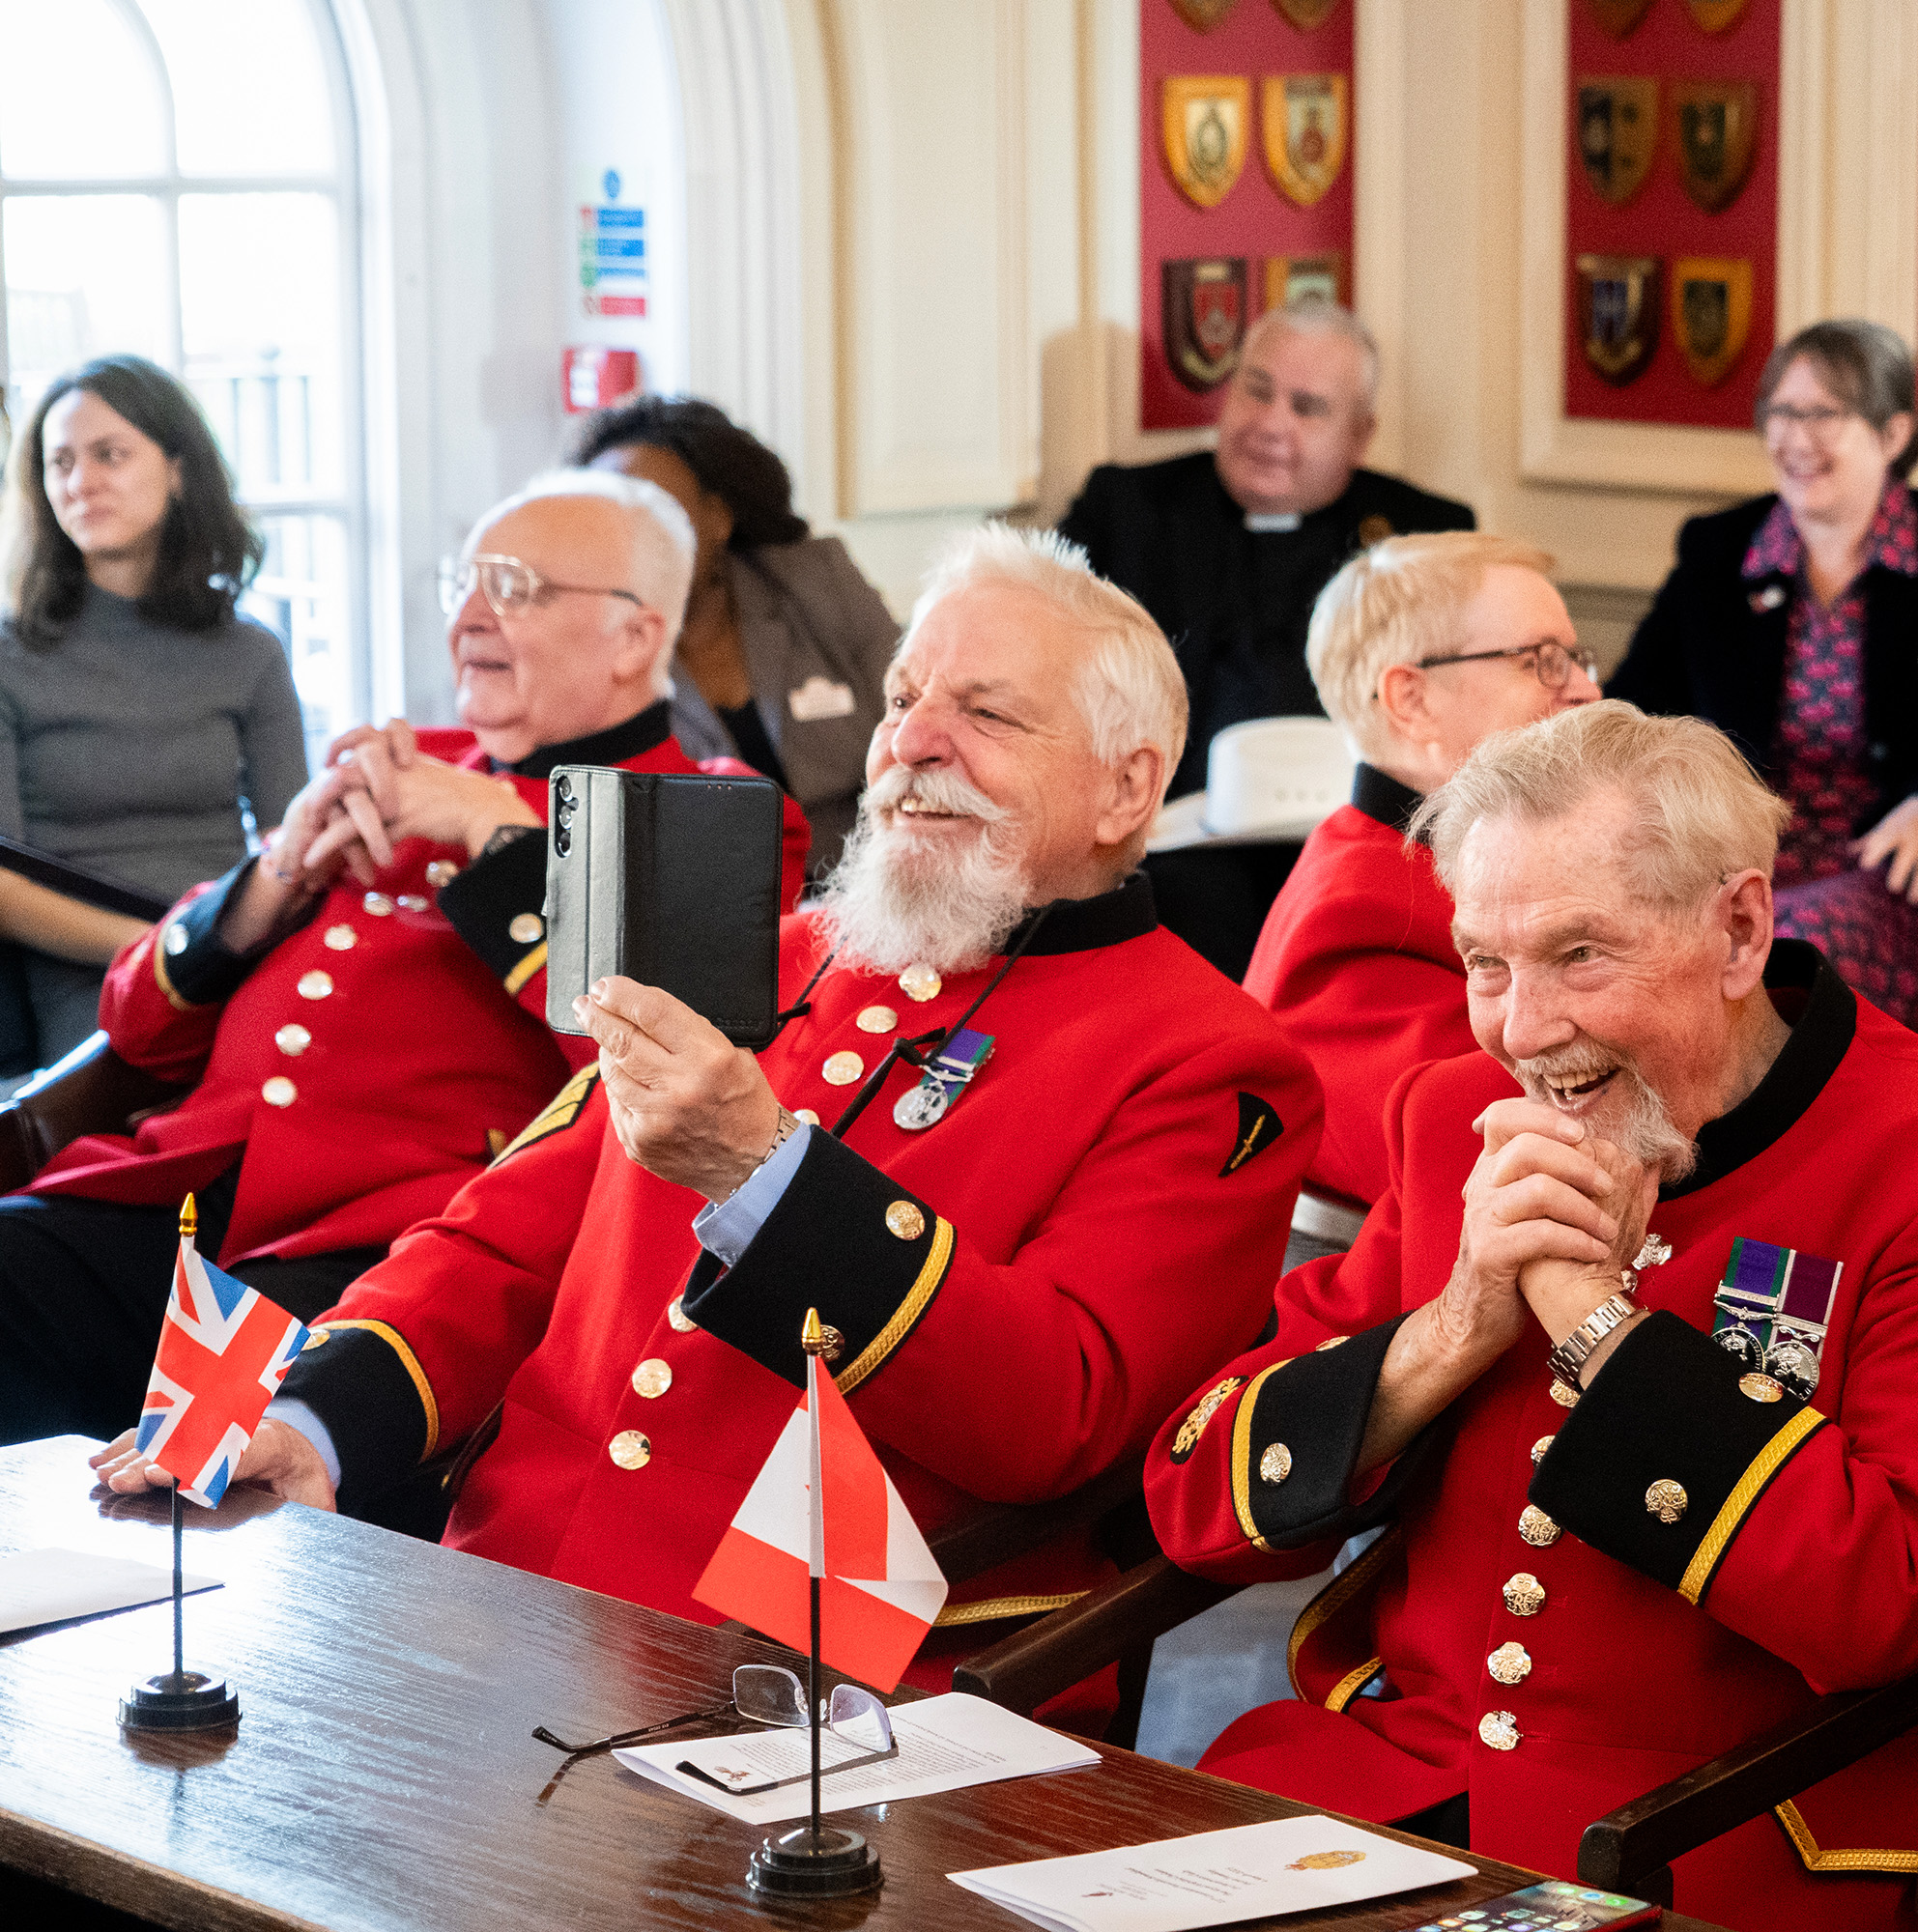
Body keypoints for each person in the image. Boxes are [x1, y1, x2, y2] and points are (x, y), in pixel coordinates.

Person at [98, 526, 1321, 1699]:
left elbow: (1058, 1411)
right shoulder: (766, 958)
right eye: (901, 699)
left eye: (986, 713)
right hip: (510, 1591)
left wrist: (763, 1170)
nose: (911, 742)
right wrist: (318, 1420)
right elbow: (500, 1241)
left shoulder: (1211, 1061)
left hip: (823, 1686)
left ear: (1128, 787)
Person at [1147, 701, 1918, 1932]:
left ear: (1739, 928)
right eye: (1484, 962)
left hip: (1703, 1842)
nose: (1522, 1030)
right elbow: (1196, 1494)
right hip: (1390, 1799)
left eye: (1582, 954)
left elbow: (1890, 1598)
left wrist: (1596, 1328)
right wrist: (1455, 1324)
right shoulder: (1454, 1113)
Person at [0, 470, 809, 1451]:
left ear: (635, 634)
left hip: (369, 1252)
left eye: (512, 587)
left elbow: (652, 1089)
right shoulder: (406, 763)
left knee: (190, 1476)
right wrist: (271, 877)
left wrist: (506, 843)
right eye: (461, 584)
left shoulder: (711, 815)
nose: (468, 615)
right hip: (167, 1197)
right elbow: (136, 1022)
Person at [1611, 320, 1918, 1051]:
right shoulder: (1718, 553)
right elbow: (1629, 710)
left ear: (1893, 433)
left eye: (1823, 414)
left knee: (1770, 963)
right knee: (1648, 957)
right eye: (1780, 412)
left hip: (1897, 888)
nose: (1795, 438)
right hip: (1729, 874)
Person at [1245, 534, 1601, 1267]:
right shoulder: (1358, 915)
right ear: (1412, 699)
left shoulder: (1436, 864)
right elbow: (1492, 1155)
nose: (1587, 690)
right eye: (1543, 661)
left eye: (1578, 658)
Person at [0, 355, 308, 1065]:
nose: (81, 483)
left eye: (109, 455)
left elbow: (290, 850)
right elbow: (6, 890)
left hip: (233, 948)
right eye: (62, 463)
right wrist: (174, 948)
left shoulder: (251, 653)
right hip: (91, 972)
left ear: (177, 469)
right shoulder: (11, 657)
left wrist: (218, 943)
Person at [1059, 298, 1474, 802]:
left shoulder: (1427, 536)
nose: (1271, 425)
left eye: (1307, 408)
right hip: (1161, 835)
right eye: (1256, 392)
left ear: (1359, 436)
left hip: (1342, 830)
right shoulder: (1125, 511)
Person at [573, 394, 903, 875]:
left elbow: (909, 726)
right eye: (606, 519)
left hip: (867, 882)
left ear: (717, 517)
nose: (630, 540)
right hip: (705, 905)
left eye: (655, 513)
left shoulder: (815, 583)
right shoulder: (584, 646)